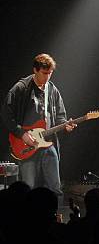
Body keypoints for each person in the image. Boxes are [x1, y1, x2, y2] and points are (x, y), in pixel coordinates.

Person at [1, 54, 75, 198]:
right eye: (44, 73)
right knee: (28, 188)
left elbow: (60, 116)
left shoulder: (52, 90)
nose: (47, 77)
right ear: (35, 70)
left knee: (55, 188)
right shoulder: (21, 88)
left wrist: (65, 125)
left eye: (50, 73)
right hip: (26, 144)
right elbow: (6, 113)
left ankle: (55, 218)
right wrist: (21, 134)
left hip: (48, 144)